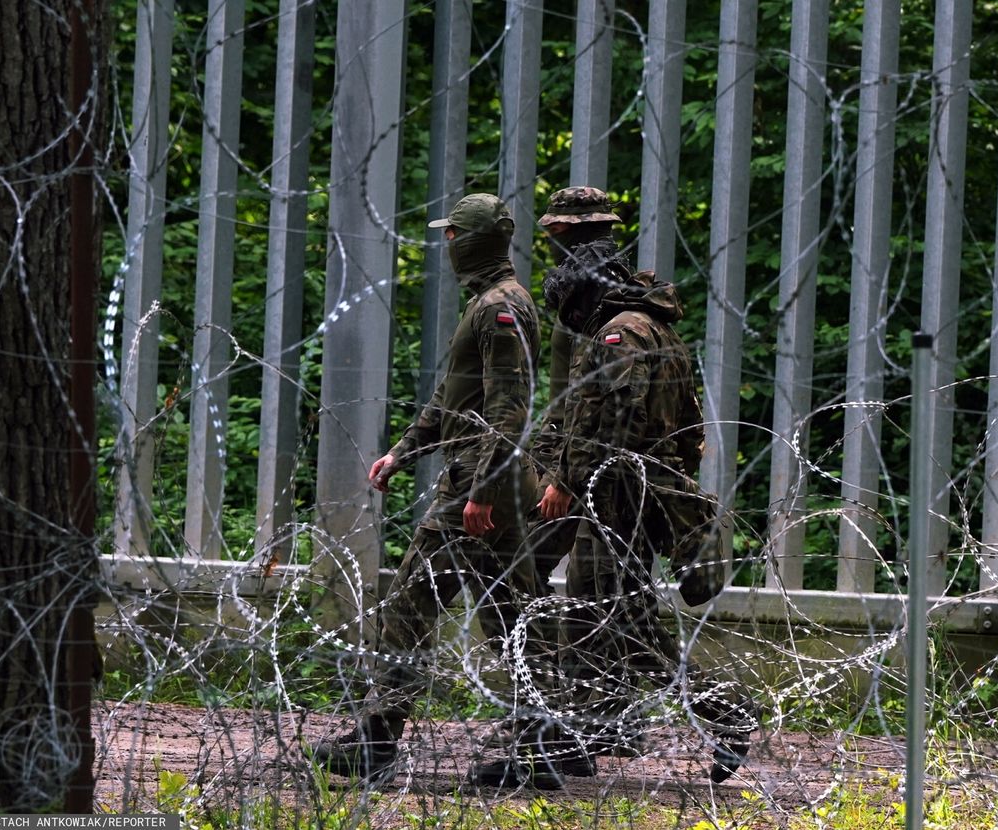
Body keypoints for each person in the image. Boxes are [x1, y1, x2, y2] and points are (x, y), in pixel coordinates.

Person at [310, 193, 569, 788]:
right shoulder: (489, 303)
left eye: (453, 234)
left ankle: (379, 738)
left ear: (473, 239)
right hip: (489, 481)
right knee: (515, 617)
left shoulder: (502, 308)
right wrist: (404, 452)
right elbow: (454, 399)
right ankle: (542, 745)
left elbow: (508, 409)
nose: (447, 243)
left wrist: (479, 490)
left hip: (480, 487)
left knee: (412, 602)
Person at [534, 186, 758, 784]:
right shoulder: (655, 327)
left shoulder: (622, 333)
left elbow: (612, 420)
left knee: (617, 617)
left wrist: (568, 481)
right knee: (595, 616)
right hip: (634, 491)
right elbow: (687, 429)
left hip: (617, 494)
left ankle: (723, 711)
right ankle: (585, 732)